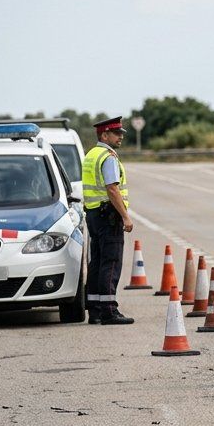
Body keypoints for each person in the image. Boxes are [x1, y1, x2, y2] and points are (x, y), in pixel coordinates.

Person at [82, 116, 135, 325]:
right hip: (108, 216)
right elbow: (112, 188)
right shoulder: (108, 157)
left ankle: (94, 309)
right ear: (105, 135)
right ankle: (109, 310)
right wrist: (125, 216)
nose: (120, 137)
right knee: (111, 262)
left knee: (97, 261)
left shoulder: (91, 154)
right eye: (117, 133)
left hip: (94, 214)